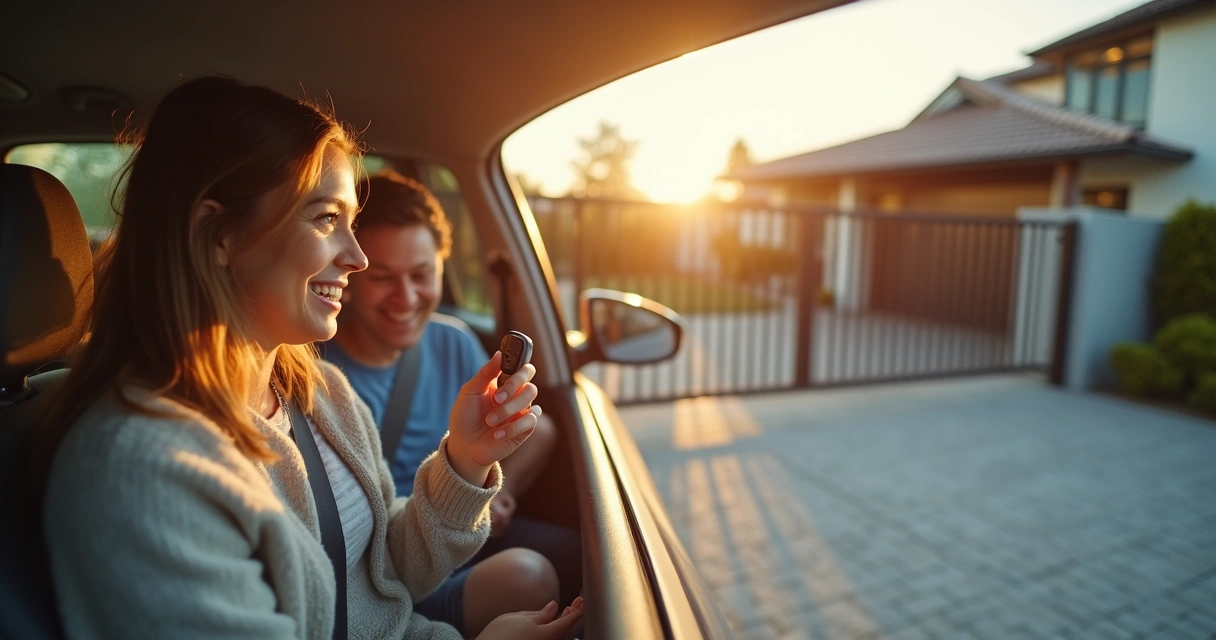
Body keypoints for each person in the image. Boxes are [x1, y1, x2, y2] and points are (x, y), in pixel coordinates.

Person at [38, 76, 583, 640]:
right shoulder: (141, 468)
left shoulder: (322, 394)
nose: (356, 256)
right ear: (218, 234)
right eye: (326, 218)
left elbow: (383, 574)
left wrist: (466, 461)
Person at [324, 171, 582, 636]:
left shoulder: (453, 343)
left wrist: (497, 493)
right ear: (350, 273)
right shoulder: (318, 373)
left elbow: (538, 432)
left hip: (459, 529)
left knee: (590, 556)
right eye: (382, 277)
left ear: (443, 265)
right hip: (380, 569)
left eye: (422, 275)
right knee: (530, 576)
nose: (405, 298)